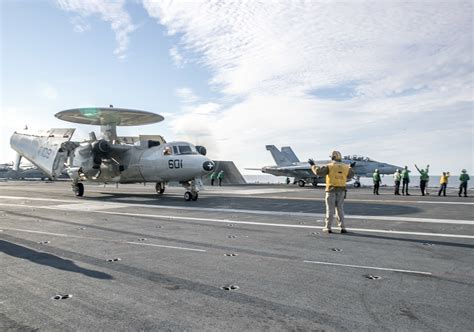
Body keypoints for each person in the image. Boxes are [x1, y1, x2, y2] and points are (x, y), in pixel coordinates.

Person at [309, 150, 354, 234]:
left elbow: (318, 172)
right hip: (342, 191)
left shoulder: (330, 166)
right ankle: (342, 227)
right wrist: (350, 167)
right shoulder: (346, 167)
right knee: (340, 209)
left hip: (331, 190)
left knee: (330, 209)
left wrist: (312, 165)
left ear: (332, 157)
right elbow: (351, 175)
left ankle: (328, 227)